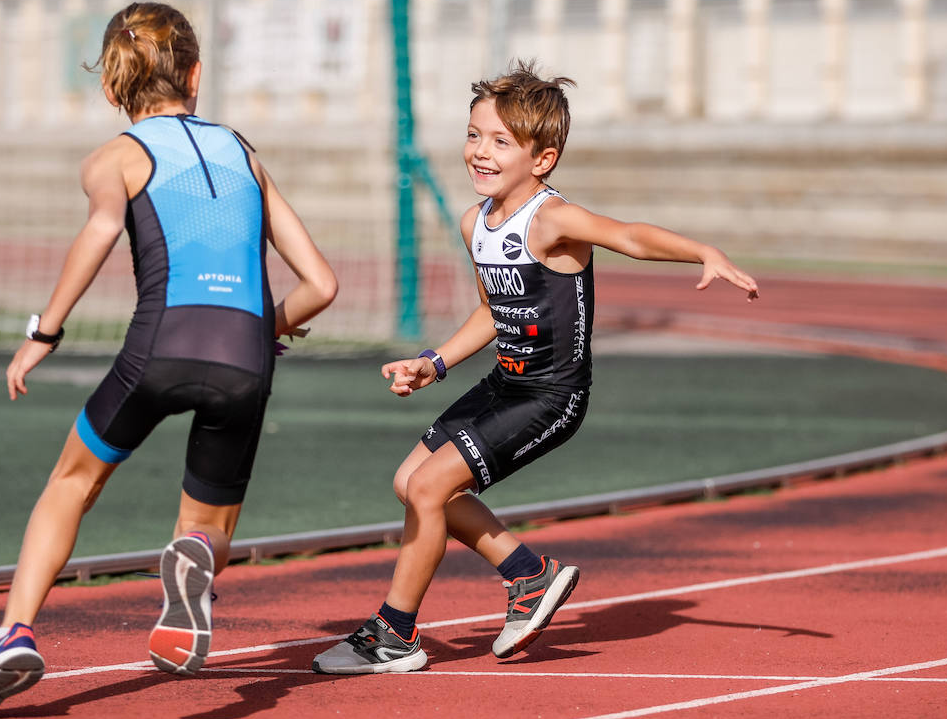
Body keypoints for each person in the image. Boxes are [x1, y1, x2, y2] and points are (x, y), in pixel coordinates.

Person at [0, 2, 338, 718]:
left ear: (112, 87)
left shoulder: (114, 157)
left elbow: (97, 235)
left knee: (72, 482)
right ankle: (193, 573)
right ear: (196, 74)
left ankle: (15, 632)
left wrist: (43, 333)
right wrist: (263, 329)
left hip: (158, 347)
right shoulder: (244, 151)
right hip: (246, 356)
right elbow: (323, 285)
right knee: (205, 522)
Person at [312, 61, 758, 674]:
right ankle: (528, 575)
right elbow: (493, 311)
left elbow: (628, 235)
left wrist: (702, 251)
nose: (480, 151)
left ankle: (394, 634)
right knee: (410, 481)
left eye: (500, 141)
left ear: (541, 159)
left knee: (427, 487)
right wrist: (433, 363)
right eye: (473, 135)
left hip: (552, 397)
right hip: (505, 384)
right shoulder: (476, 222)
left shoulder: (553, 219)